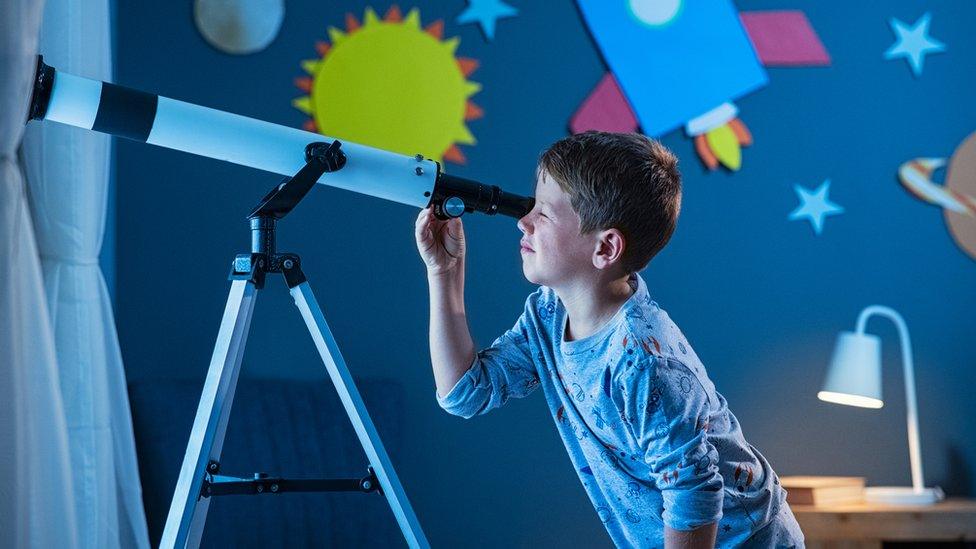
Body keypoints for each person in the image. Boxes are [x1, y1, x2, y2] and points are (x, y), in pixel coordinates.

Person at [414, 131, 804, 548]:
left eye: (543, 214)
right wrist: (444, 273)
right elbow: (465, 393)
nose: (523, 220)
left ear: (605, 248)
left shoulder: (643, 361)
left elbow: (693, 494)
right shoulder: (549, 314)